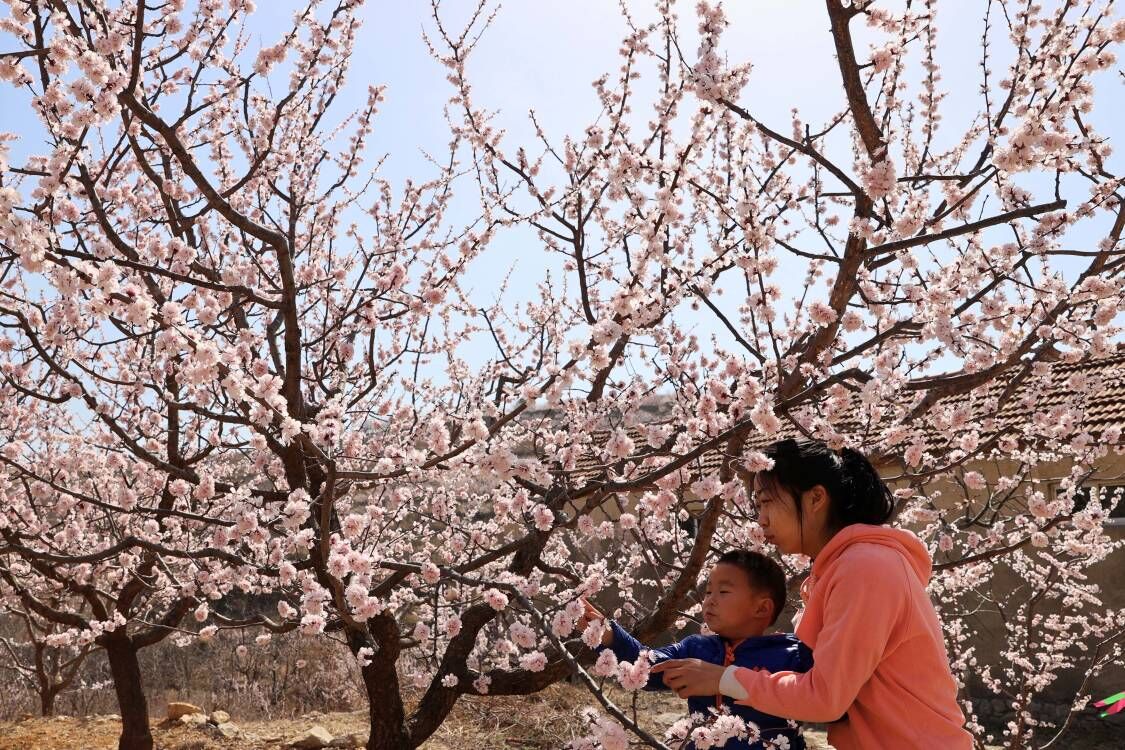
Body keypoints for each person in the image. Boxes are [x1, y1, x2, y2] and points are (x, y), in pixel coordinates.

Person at [650, 439, 975, 750]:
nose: (760, 519)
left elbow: (825, 697)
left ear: (815, 499)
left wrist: (723, 679)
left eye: (766, 502)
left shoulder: (865, 567)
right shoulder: (848, 566)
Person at [582, 550, 812, 750]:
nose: (710, 600)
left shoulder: (792, 654)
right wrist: (610, 635)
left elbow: (818, 694)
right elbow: (649, 667)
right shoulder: (695, 647)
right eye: (708, 592)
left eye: (723, 592)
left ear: (762, 608)